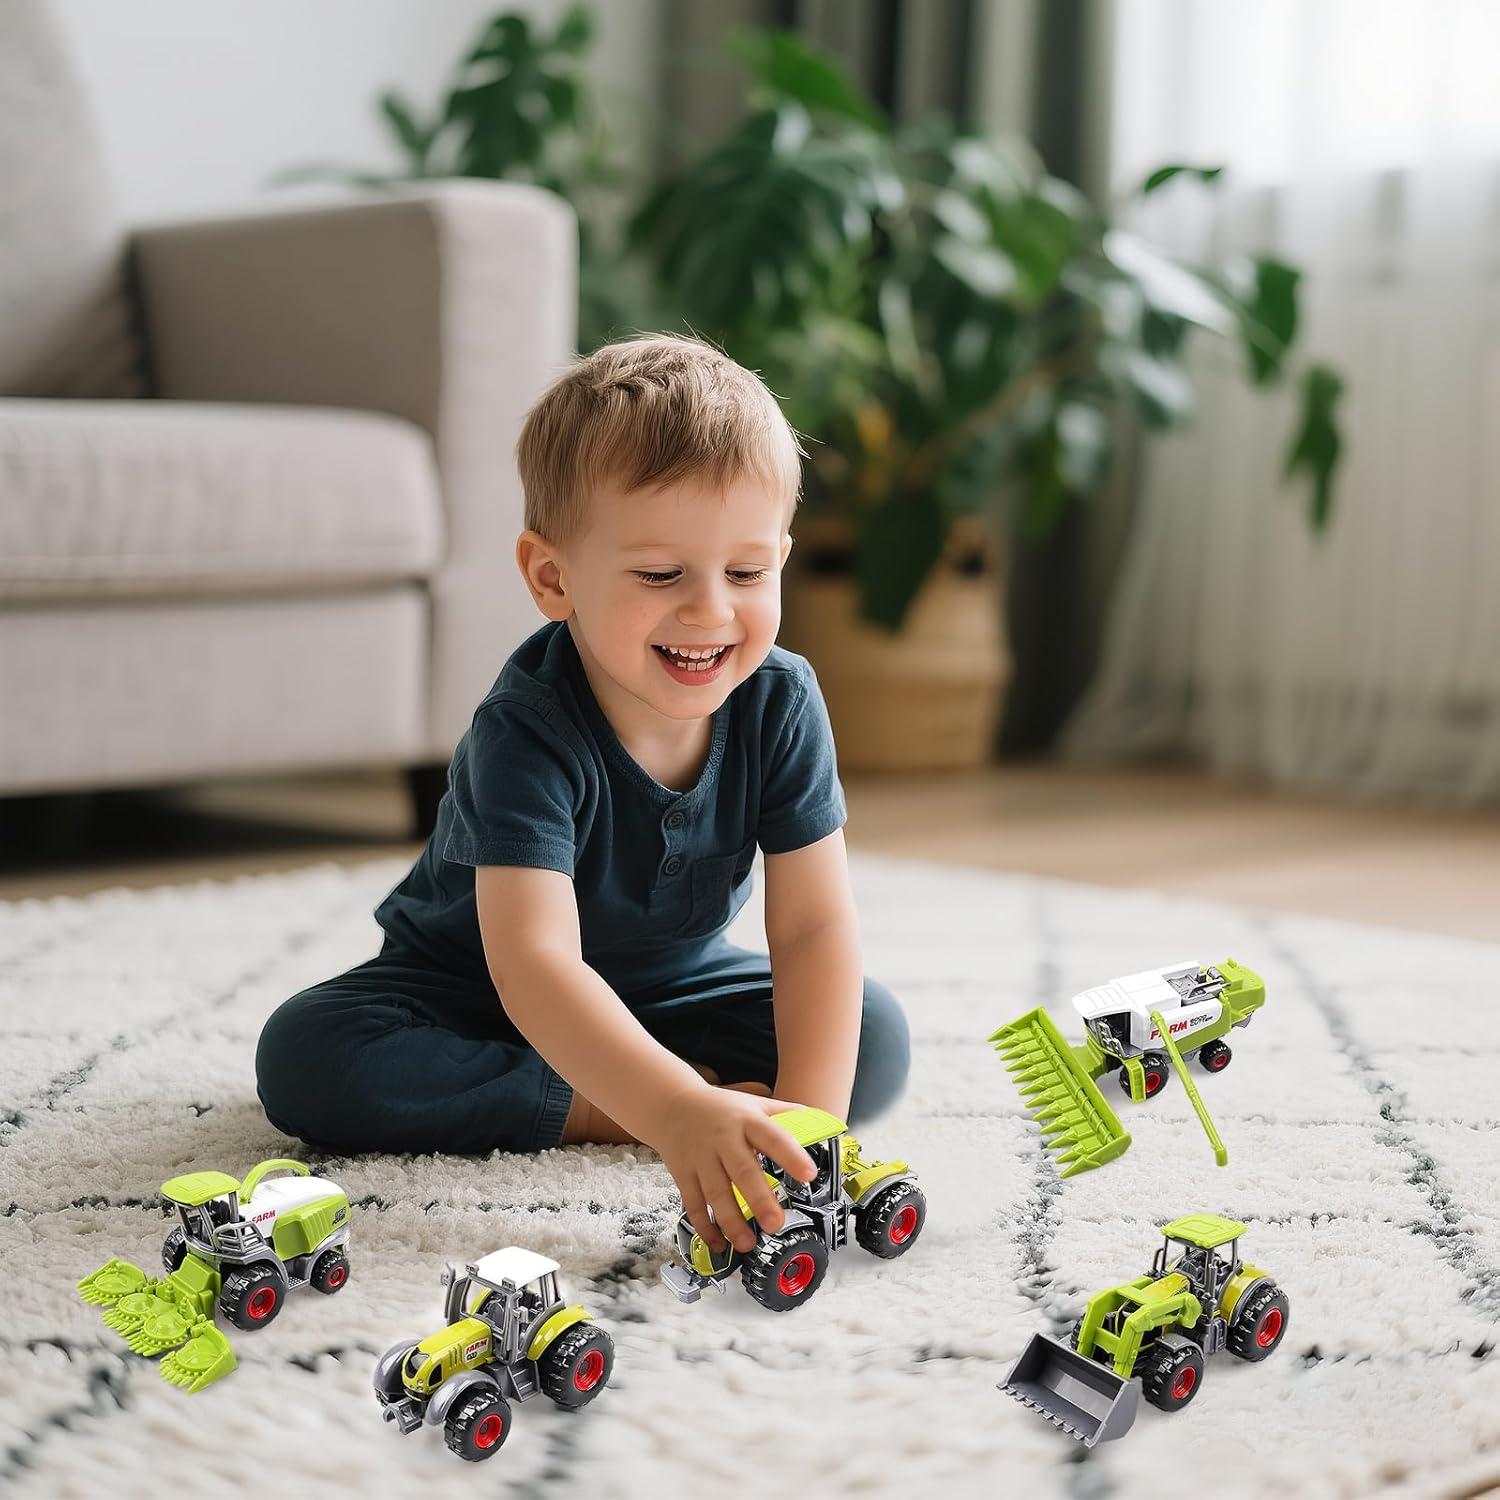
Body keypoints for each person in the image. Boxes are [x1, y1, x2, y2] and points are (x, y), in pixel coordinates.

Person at [255, 334, 910, 1257]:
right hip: (470, 989)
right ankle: (603, 1102)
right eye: (660, 574)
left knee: (871, 1037)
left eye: (747, 572)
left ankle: (678, 1084)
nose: (711, 610)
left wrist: (809, 1133)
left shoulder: (781, 701)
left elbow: (812, 931)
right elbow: (535, 965)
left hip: (670, 984)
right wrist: (671, 1109)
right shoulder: (524, 730)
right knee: (307, 1059)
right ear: (552, 578)